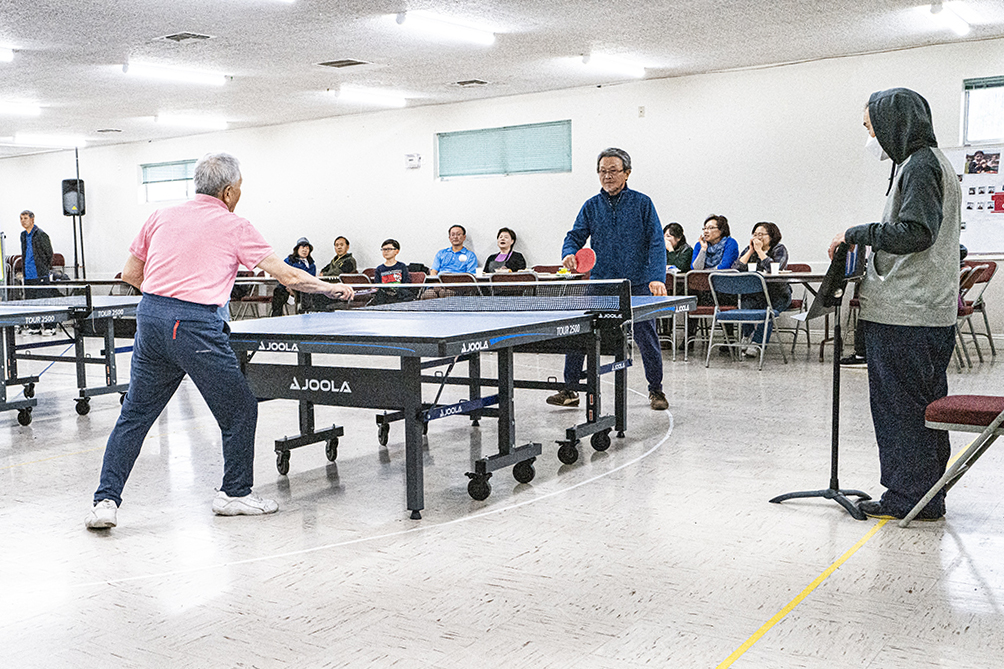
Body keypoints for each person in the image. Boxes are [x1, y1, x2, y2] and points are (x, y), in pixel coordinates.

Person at [85, 152, 354, 530]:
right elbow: (289, 277)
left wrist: (167, 300)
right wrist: (330, 288)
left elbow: (130, 273)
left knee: (135, 415)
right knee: (240, 409)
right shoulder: (235, 226)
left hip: (150, 319)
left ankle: (105, 502)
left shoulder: (160, 216)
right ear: (228, 192)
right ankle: (235, 494)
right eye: (239, 188)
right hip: (194, 326)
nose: (240, 194)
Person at [828, 88, 960, 522]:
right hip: (925, 310)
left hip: (907, 313)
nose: (871, 138)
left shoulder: (920, 166)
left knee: (901, 412)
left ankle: (908, 497)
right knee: (923, 410)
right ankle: (926, 495)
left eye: (871, 128)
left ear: (892, 124)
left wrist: (857, 233)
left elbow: (916, 232)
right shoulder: (929, 163)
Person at [547, 147, 669, 411]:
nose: (607, 176)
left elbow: (657, 243)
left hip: (636, 284)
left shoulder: (643, 203)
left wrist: (657, 277)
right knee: (579, 331)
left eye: (613, 170)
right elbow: (574, 236)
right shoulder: (591, 206)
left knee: (646, 336)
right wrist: (569, 253)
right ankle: (570, 389)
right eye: (602, 171)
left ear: (627, 173)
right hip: (601, 284)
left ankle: (656, 390)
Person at [732, 221, 791, 349]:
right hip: (755, 294)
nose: (757, 238)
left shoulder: (779, 249)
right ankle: (747, 336)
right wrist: (750, 251)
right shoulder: (749, 249)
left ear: (771, 236)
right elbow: (735, 269)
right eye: (755, 234)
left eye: (761, 234)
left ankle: (757, 343)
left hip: (777, 294)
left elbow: (775, 269)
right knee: (744, 306)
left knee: (767, 313)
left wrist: (760, 251)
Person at [19, 210, 56, 335]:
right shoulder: (23, 236)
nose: (23, 221)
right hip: (28, 275)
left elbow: (49, 254)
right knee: (31, 302)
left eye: (25, 218)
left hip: (40, 274)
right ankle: (34, 327)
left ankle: (49, 327)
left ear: (32, 219)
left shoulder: (41, 234)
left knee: (44, 301)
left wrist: (43, 267)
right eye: (21, 218)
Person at [270, 237, 316, 316]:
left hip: (301, 288)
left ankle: (304, 315)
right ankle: (276, 317)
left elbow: (310, 280)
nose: (305, 250)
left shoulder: (311, 265)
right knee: (278, 291)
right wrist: (288, 286)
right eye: (302, 247)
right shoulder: (289, 260)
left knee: (306, 294)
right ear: (297, 249)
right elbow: (281, 272)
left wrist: (295, 287)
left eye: (307, 248)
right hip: (286, 286)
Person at [370, 238, 413, 305]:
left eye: (389, 249)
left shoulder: (402, 266)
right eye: (384, 249)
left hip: (400, 296)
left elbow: (406, 283)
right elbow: (378, 285)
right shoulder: (379, 269)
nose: (386, 252)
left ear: (397, 251)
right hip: (385, 297)